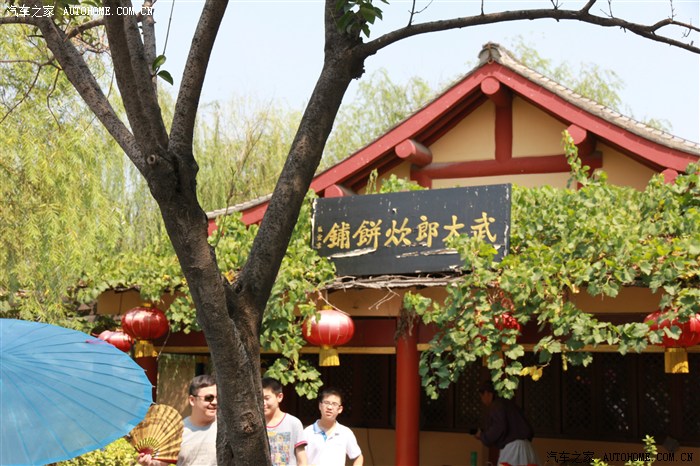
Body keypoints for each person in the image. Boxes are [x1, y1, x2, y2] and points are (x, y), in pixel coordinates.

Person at [138, 374, 218, 466]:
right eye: (209, 398)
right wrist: (148, 462)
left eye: (217, 397)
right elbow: (161, 462)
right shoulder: (176, 432)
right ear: (192, 400)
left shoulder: (226, 429)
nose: (215, 402)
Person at [475, 380, 540, 466]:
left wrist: (483, 436)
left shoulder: (497, 405)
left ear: (488, 393)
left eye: (481, 396)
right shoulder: (510, 404)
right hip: (528, 449)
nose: (482, 400)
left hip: (513, 450)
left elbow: (498, 427)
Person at [303, 388, 363, 466]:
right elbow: (300, 460)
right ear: (320, 405)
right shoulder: (307, 432)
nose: (329, 407)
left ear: (340, 409)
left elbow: (358, 457)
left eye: (334, 404)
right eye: (326, 403)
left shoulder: (345, 433)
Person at [262, 377, 308, 466]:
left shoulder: (293, 423)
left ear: (279, 397)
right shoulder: (255, 425)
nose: (263, 403)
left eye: (267, 398)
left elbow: (302, 460)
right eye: (260, 398)